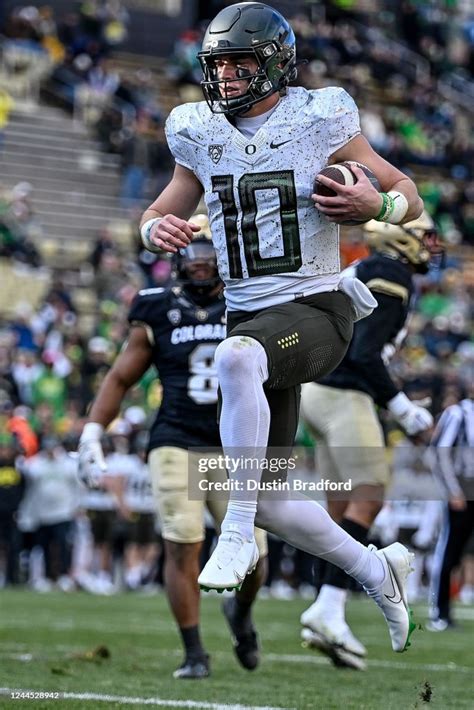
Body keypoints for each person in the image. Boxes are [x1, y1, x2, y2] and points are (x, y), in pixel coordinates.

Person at [139, 2, 425, 653]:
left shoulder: (319, 116)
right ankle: (377, 569)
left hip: (316, 310)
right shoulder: (195, 130)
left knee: (236, 357)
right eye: (220, 63)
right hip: (253, 318)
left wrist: (377, 205)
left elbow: (406, 190)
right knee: (267, 494)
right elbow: (159, 212)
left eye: (242, 61)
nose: (229, 75)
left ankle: (235, 534)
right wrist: (156, 228)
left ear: (274, 63)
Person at [78, 225, 267, 678]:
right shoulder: (157, 307)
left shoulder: (250, 299)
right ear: (177, 258)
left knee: (254, 554)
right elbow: (122, 377)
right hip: (175, 438)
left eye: (209, 250)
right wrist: (91, 431)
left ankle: (240, 615)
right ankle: (194, 652)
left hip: (236, 445)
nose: (200, 260)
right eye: (192, 251)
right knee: (183, 544)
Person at [299, 213, 439, 669]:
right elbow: (363, 353)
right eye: (425, 237)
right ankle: (328, 608)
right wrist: (402, 408)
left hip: (316, 390)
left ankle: (325, 612)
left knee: (340, 514)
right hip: (342, 393)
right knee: (370, 496)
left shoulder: (371, 267)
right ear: (403, 237)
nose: (431, 246)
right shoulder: (391, 272)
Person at [427, 389, 474, 632]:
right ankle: (439, 610)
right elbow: (438, 453)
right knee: (450, 551)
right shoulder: (458, 414)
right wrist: (453, 490)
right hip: (462, 489)